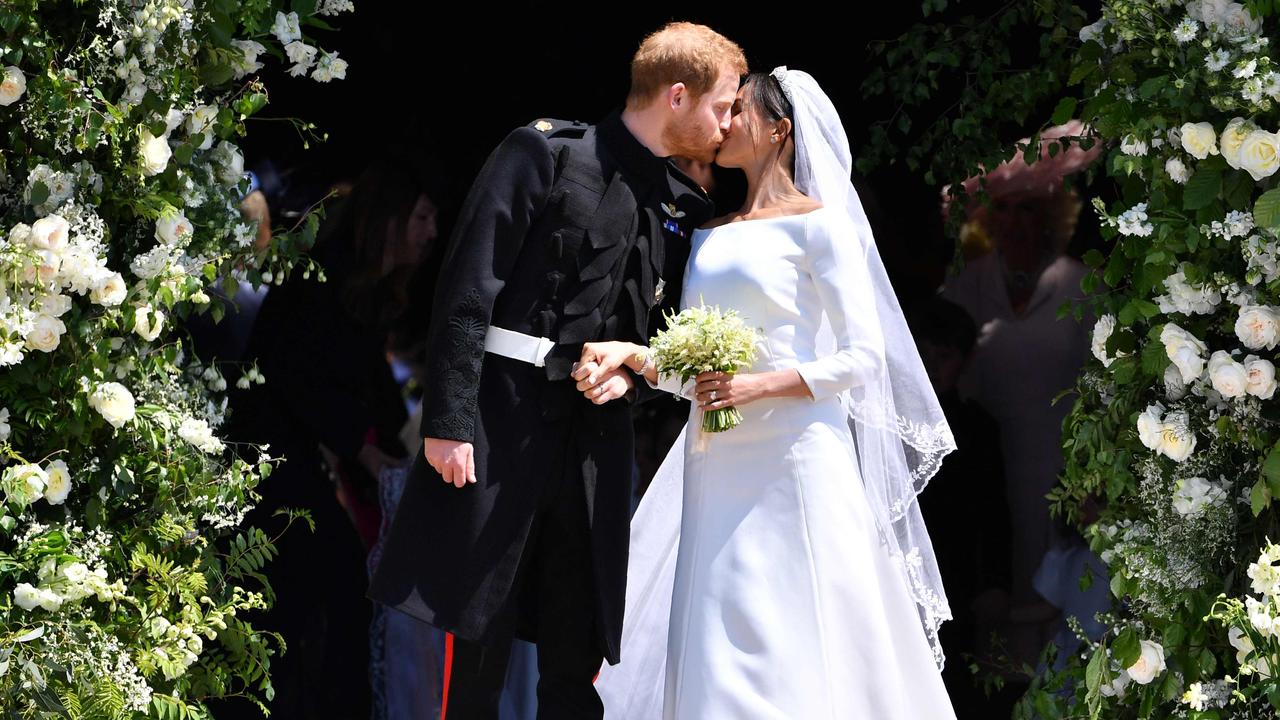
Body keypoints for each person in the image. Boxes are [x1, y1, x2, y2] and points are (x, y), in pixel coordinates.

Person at [367, 22, 747, 719]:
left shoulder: (681, 207)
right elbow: (466, 291)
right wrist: (448, 423)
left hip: (595, 449)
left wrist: (632, 375)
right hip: (500, 427)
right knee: (477, 643)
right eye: (723, 106)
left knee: (576, 657)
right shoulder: (542, 152)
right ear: (677, 95)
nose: (729, 124)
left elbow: (657, 336)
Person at [584, 67, 957, 719]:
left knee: (800, 634)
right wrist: (637, 357)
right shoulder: (709, 232)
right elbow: (695, 367)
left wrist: (758, 386)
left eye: (740, 112)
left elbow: (862, 358)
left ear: (779, 130)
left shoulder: (820, 227)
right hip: (716, 461)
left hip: (794, 457)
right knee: (716, 640)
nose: (723, 123)